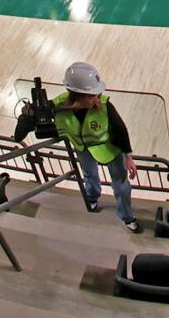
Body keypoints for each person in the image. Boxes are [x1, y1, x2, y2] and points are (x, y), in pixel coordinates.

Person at [51, 62, 140, 233]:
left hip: (110, 151)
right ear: (76, 95)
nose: (96, 97)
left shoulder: (105, 105)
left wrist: (128, 156)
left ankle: (127, 216)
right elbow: (41, 112)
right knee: (89, 176)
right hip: (83, 149)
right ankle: (91, 198)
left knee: (121, 186)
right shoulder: (59, 105)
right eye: (90, 95)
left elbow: (121, 130)